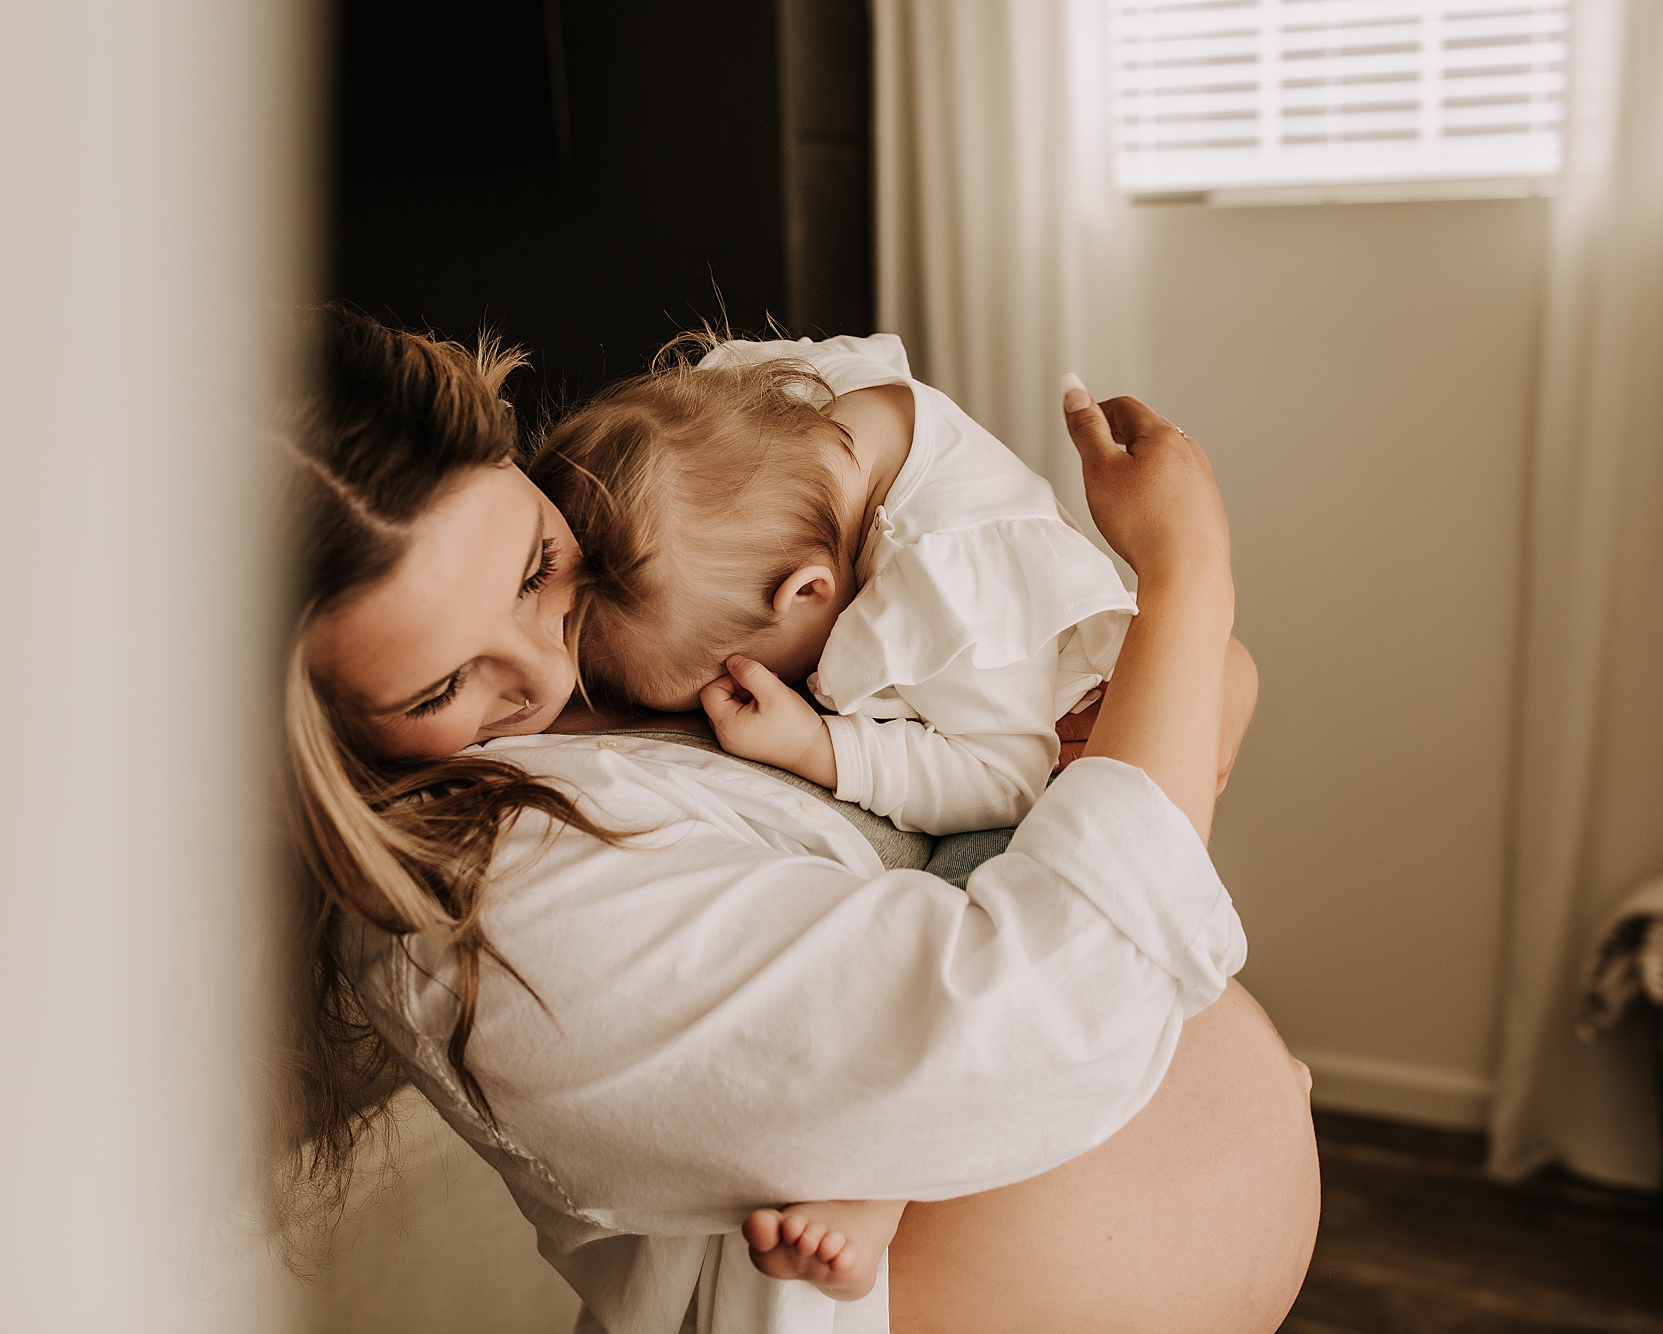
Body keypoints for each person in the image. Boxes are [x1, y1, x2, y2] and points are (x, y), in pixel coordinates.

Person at [278, 305, 1319, 1334]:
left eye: (534, 566)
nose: (547, 667)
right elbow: (1044, 1019)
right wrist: (1188, 583)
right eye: (439, 687)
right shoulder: (475, 903)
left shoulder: (671, 549)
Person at [530, 330, 1259, 1295]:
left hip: (1048, 740)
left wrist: (819, 747)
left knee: (969, 893)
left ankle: (883, 1175)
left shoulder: (947, 602)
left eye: (699, 682)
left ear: (810, 595)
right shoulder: (806, 409)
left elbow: (1002, 774)